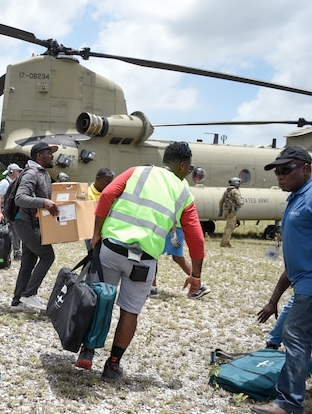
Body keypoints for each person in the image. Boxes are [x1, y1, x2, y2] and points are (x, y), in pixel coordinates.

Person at [76, 141, 206, 381]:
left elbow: (107, 195)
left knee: (99, 296)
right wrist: (195, 275)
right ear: (184, 164)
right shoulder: (183, 192)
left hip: (112, 249)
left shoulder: (136, 171)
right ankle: (113, 365)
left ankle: (88, 350)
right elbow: (197, 238)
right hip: (143, 262)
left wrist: (96, 233)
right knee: (130, 311)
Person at [253, 146, 312, 414]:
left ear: (305, 168)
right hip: (307, 280)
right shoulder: (297, 198)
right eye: (278, 171)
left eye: (287, 169)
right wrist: (274, 299)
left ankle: (288, 402)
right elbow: (296, 262)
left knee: (294, 334)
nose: (280, 176)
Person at [9, 142, 59, 312]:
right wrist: (43, 202)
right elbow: (20, 198)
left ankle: (17, 302)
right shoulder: (31, 173)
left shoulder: (43, 173)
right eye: (49, 153)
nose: (52, 156)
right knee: (47, 256)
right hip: (26, 223)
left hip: (31, 223)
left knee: (28, 262)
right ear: (39, 156)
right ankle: (29, 294)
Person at [149, 226, 210, 298]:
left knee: (152, 253)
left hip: (171, 228)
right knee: (178, 257)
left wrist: (173, 233)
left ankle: (152, 288)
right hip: (180, 228)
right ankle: (200, 285)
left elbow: (172, 215)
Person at [0, 164, 23, 259]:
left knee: (17, 233)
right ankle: (1, 253)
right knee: (3, 234)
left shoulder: (15, 183)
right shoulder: (4, 183)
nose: (19, 173)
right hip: (4, 212)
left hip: (13, 212)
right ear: (12, 172)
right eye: (17, 171)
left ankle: (16, 252)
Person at [219, 177, 244, 247]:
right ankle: (224, 243)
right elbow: (240, 202)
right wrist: (241, 202)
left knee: (229, 226)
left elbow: (221, 202)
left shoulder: (226, 191)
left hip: (226, 211)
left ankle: (226, 241)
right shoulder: (235, 191)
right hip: (232, 211)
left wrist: (220, 211)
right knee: (230, 227)